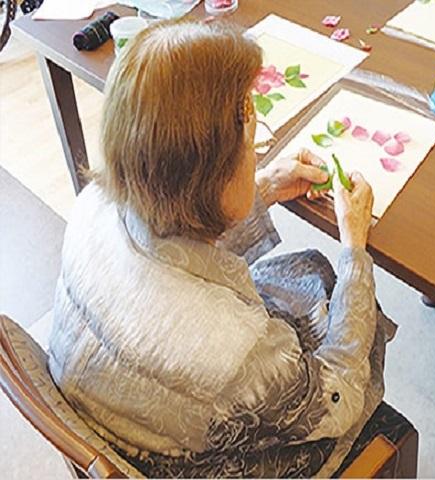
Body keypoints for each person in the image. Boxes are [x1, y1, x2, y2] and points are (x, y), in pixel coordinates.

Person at [47, 18, 396, 478]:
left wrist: (264, 187)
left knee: (309, 273)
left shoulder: (94, 204)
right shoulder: (238, 355)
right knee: (335, 289)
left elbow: (172, 245)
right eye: (250, 142)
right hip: (197, 453)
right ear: (211, 178)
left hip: (123, 410)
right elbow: (338, 398)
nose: (255, 154)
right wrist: (354, 248)